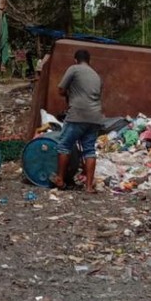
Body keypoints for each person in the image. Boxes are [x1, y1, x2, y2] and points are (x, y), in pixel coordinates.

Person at [52, 49, 103, 194]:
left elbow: (61, 89)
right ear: (89, 60)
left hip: (78, 114)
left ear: (75, 60)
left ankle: (60, 179)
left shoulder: (73, 69)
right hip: (95, 117)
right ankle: (88, 187)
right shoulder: (96, 75)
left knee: (64, 145)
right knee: (89, 149)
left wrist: (68, 93)